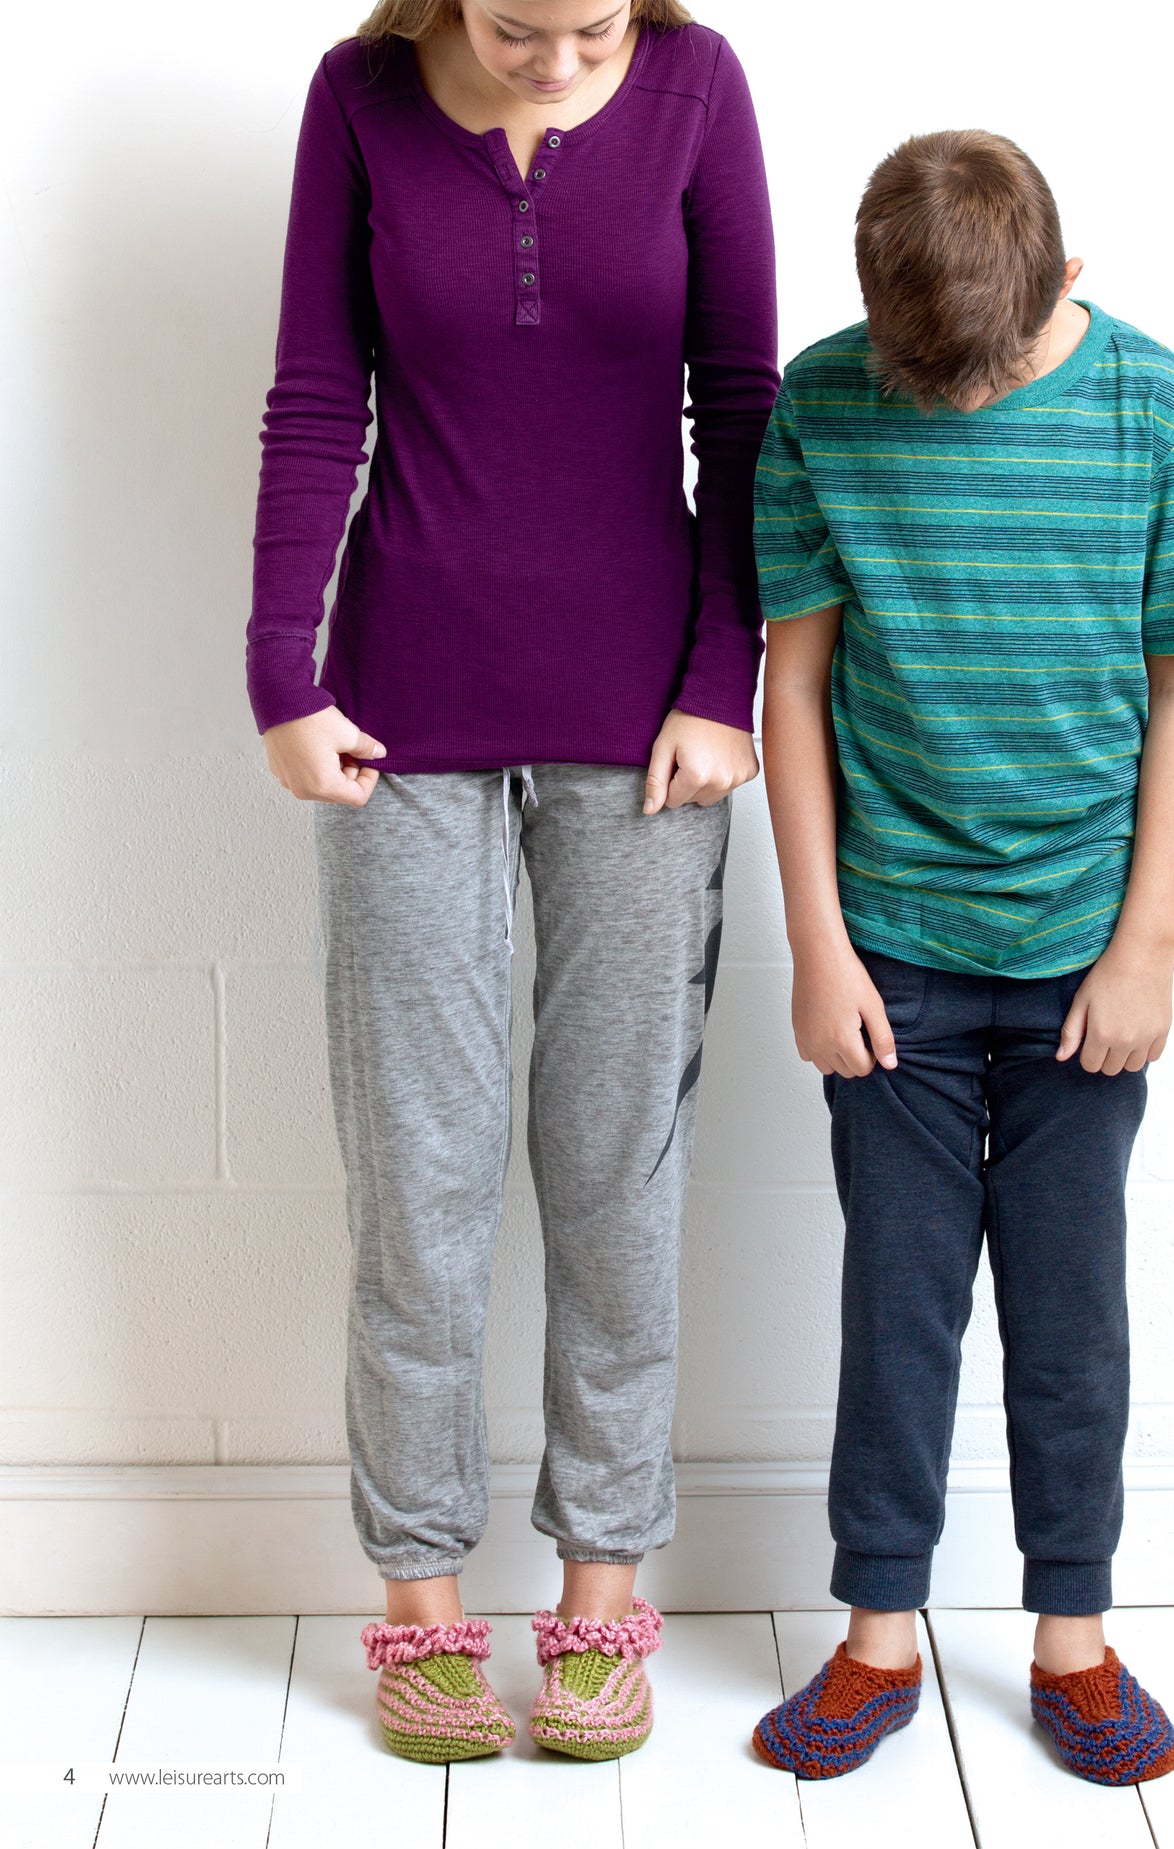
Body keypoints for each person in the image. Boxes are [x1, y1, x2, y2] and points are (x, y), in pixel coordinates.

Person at [245, 0, 776, 1764]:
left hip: (645, 731)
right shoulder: (359, 96)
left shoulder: (700, 87)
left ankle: (602, 1590)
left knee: (615, 1160)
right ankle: (416, 1601)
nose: (558, 60)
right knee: (419, 1170)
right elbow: (320, 392)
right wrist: (281, 670)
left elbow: (742, 408)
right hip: (401, 716)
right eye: (517, 26)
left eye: (592, 26)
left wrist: (724, 678)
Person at [750, 129, 1174, 1784]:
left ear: (1068, 278)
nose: (956, 406)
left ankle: (1073, 1635)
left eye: (988, 373)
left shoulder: (1152, 412)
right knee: (893, 1304)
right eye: (927, 382)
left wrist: (1142, 948)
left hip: (1080, 962)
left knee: (1068, 1307)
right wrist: (816, 947)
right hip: (888, 951)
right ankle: (877, 1628)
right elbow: (797, 687)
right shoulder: (822, 405)